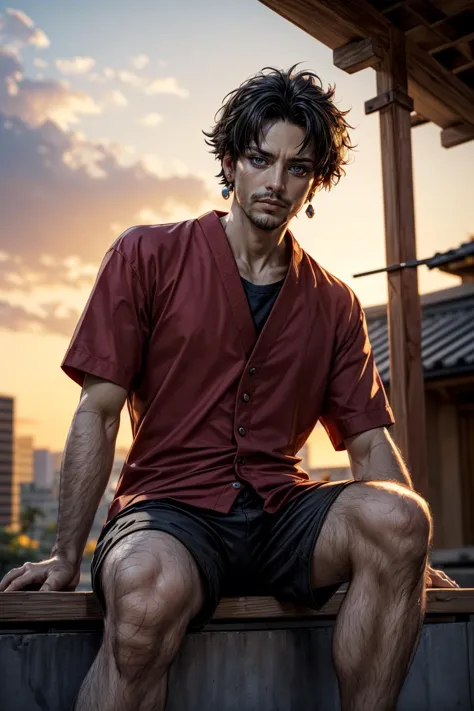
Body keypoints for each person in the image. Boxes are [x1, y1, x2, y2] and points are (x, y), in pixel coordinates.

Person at [0, 66, 457, 711]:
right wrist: (64, 554)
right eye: (259, 158)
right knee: (145, 588)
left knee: (402, 517)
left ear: (314, 181)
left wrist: (409, 555)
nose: (276, 182)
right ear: (230, 161)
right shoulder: (146, 255)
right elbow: (97, 412)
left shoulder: (333, 301)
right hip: (169, 510)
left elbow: (367, 438)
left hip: (279, 515)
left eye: (298, 168)